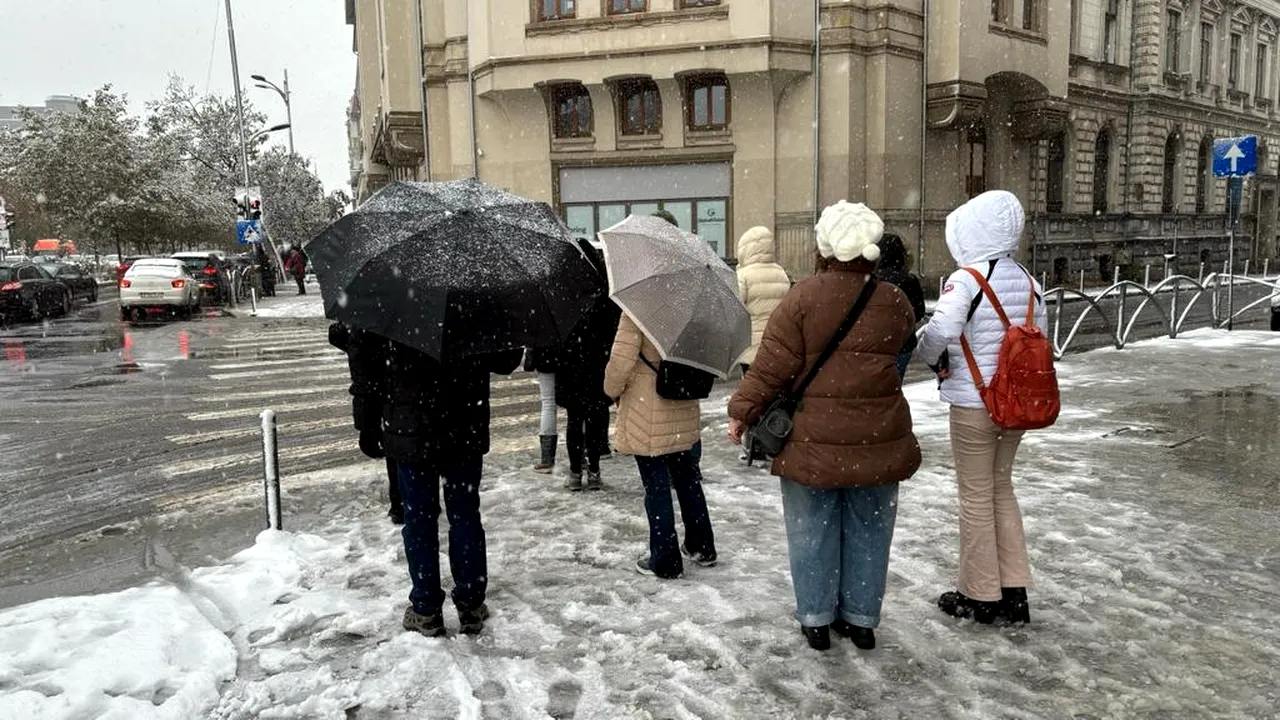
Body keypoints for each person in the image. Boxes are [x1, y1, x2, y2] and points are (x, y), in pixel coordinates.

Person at [727, 201, 921, 652]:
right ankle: (861, 618)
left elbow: (771, 369)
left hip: (812, 440)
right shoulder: (893, 300)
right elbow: (902, 350)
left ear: (824, 247)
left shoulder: (803, 299)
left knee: (811, 528)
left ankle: (816, 619)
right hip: (878, 437)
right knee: (869, 528)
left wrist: (741, 410)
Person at [916, 189, 1044, 626]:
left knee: (974, 496)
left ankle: (980, 594)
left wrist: (931, 356)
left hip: (975, 403)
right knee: (1001, 488)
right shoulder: (1029, 281)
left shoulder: (968, 278)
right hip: (1018, 404)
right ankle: (1014, 592)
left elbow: (942, 329)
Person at [383, 340, 523, 636]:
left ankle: (426, 608)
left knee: (419, 517)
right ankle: (470, 602)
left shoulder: (395, 301)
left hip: (411, 425)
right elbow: (506, 360)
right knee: (465, 515)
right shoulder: (478, 297)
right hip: (464, 422)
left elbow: (370, 360)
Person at [604, 311, 717, 579]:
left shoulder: (638, 309)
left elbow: (620, 364)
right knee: (688, 481)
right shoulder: (692, 310)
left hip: (648, 407)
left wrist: (610, 390)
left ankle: (665, 559)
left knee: (656, 487)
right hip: (683, 402)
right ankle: (701, 546)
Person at [556, 239, 621, 491]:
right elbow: (612, 328)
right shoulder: (603, 289)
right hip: (597, 363)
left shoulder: (563, 290)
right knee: (595, 418)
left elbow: (557, 331)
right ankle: (594, 470)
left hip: (571, 365)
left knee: (574, 419)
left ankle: (575, 472)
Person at [328, 322, 402, 523]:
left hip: (398, 412)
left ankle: (402, 508)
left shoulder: (369, 316)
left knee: (403, 461)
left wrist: (367, 426)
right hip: (427, 410)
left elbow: (364, 379)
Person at [735, 226, 791, 376]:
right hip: (777, 343)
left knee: (751, 388)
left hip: (751, 347)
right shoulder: (781, 272)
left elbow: (735, 308)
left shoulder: (743, 275)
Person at [875, 232, 928, 379]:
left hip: (874, 343)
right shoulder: (909, 280)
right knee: (896, 383)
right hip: (902, 343)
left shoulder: (870, 279)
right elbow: (918, 312)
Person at [524, 346, 560, 474]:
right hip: (569, 357)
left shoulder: (541, 325)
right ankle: (580, 457)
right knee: (575, 406)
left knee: (548, 403)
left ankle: (547, 459)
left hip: (545, 357)